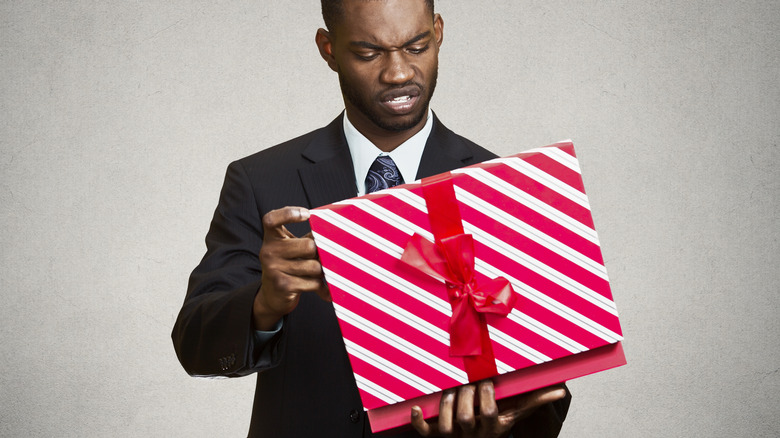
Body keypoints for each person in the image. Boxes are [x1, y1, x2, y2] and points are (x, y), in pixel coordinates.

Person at [172, 1, 571, 436]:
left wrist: (503, 426)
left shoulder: (504, 192)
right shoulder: (261, 180)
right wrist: (263, 304)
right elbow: (194, 346)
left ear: (438, 32)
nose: (399, 73)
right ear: (329, 49)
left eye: (417, 47)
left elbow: (548, 385)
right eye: (369, 53)